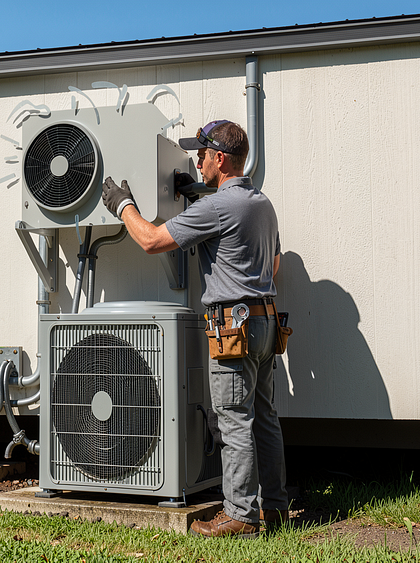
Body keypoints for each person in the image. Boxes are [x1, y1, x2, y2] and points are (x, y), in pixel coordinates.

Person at [101, 120, 288, 538]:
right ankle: (273, 506)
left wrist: (122, 204)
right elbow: (274, 263)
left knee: (233, 419)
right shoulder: (261, 204)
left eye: (202, 155)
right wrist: (201, 194)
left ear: (220, 159)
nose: (198, 161)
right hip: (266, 322)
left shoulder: (217, 209)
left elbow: (150, 240)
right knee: (264, 419)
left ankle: (240, 515)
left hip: (232, 328)